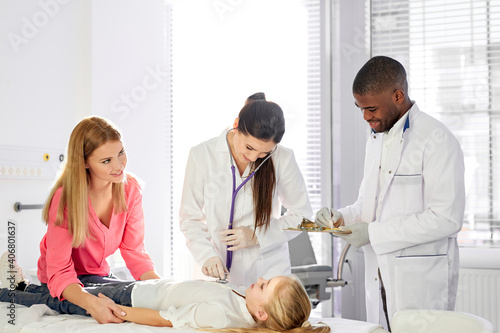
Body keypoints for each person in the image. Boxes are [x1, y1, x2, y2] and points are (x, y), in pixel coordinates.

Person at [315, 56, 465, 328]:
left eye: (371, 108)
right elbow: (369, 204)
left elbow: (446, 218)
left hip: (420, 281)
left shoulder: (436, 139)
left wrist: (372, 233)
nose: (365, 116)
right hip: (380, 272)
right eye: (359, 108)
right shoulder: (376, 138)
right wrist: (343, 217)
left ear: (398, 95)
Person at [28, 116, 160, 324]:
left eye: (121, 153)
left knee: (134, 298)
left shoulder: (131, 189)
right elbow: (60, 270)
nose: (119, 165)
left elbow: (134, 252)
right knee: (93, 305)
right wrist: (91, 304)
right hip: (61, 281)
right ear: (84, 162)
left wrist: (163, 290)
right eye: (106, 161)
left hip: (96, 276)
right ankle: (18, 291)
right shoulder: (65, 199)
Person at [180, 92, 313, 287]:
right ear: (236, 125)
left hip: (268, 274)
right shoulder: (202, 155)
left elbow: (304, 216)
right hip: (216, 271)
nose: (253, 158)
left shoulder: (282, 158)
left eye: (264, 153)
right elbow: (189, 218)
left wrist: (257, 235)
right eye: (249, 147)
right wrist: (206, 255)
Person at [0, 259, 329, 333]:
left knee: (62, 300)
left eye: (264, 286)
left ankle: (9, 294)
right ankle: (24, 286)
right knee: (75, 281)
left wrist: (118, 311)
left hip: (132, 298)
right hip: (139, 287)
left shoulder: (221, 315)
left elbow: (166, 319)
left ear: (262, 315)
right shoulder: (241, 303)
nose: (258, 280)